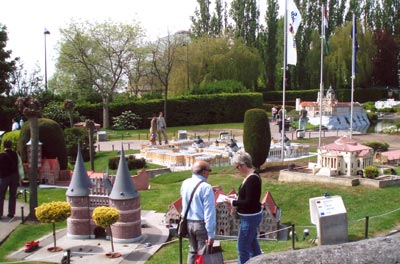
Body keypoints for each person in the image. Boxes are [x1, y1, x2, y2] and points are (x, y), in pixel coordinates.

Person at [225, 151, 262, 264]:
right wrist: (236, 196)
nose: (237, 170)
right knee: (252, 245)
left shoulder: (252, 179)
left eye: (237, 167)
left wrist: (233, 202)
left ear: (243, 165)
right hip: (250, 216)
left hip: (249, 218)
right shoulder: (250, 177)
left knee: (242, 247)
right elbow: (248, 196)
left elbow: (249, 202)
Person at [180, 160, 216, 264]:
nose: (209, 173)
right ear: (204, 172)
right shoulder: (206, 188)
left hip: (188, 222)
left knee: (192, 251)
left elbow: (185, 199)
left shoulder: (185, 183)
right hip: (201, 224)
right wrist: (211, 234)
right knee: (202, 253)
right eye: (209, 170)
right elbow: (209, 213)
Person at [0, 139, 20, 219]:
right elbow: (18, 164)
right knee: (12, 195)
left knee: (1, 195)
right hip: (14, 176)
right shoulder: (15, 154)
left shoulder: (1, 155)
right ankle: (11, 213)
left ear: (4, 146)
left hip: (4, 177)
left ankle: (0, 213)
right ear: (11, 145)